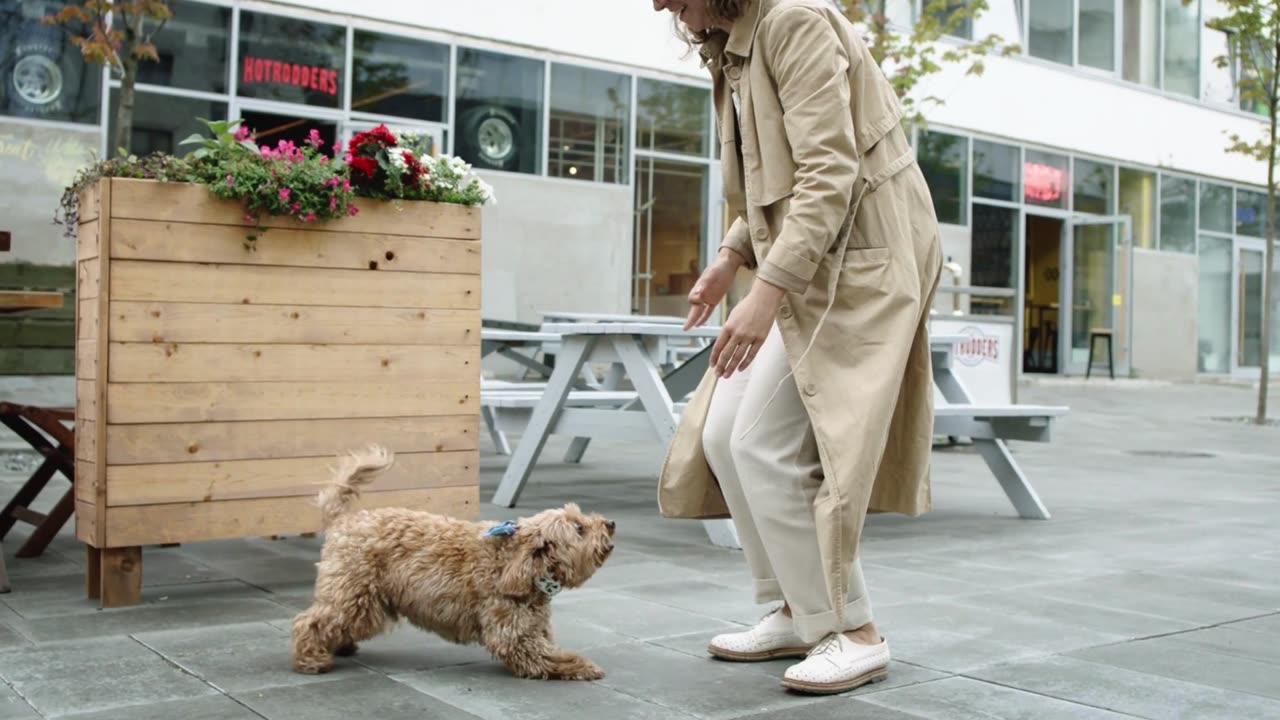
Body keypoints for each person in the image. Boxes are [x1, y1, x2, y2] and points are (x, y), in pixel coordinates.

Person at [652, 0, 943, 696]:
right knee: (724, 437)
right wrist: (730, 257)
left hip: (861, 259)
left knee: (762, 443)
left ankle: (857, 632)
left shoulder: (793, 23)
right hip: (816, 259)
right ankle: (795, 610)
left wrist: (763, 295)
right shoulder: (732, 42)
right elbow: (767, 185)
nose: (659, 4)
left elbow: (828, 175)